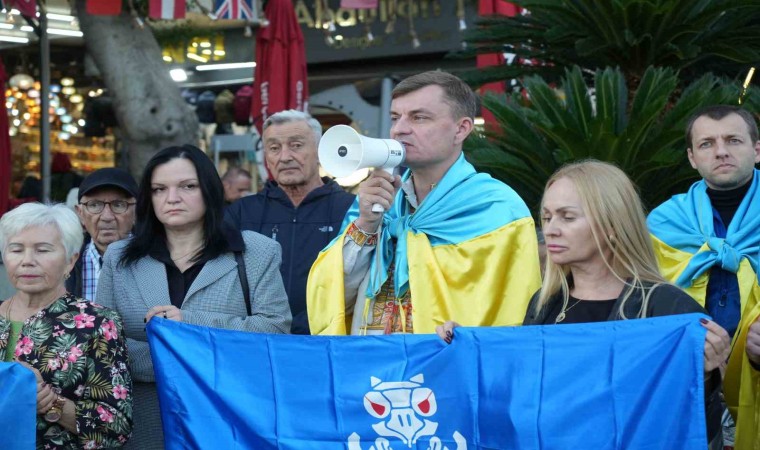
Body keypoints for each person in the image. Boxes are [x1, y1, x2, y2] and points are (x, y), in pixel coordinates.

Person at [438, 160, 730, 447]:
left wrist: (704, 378)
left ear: (612, 225)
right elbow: (519, 392)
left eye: (567, 217)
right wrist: (468, 349)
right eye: (547, 217)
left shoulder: (668, 307)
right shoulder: (544, 303)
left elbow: (692, 430)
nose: (551, 229)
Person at [306, 71, 541, 335]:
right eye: (395, 117)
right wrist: (365, 226)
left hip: (448, 359)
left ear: (461, 129)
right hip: (370, 357)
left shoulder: (498, 209)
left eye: (419, 117)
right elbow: (332, 299)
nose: (400, 129)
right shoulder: (375, 204)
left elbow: (514, 315)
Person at [96, 145, 291, 449]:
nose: (172, 198)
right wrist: (177, 358)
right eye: (159, 189)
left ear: (209, 190)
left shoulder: (254, 251)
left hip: (229, 417)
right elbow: (104, 343)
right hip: (144, 419)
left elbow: (275, 330)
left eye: (187, 186)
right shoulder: (119, 257)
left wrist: (189, 325)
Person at [647, 105, 760, 448]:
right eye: (707, 144)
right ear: (692, 158)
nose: (721, 151)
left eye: (733, 140)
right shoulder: (663, 225)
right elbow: (640, 302)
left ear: (757, 150)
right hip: (687, 383)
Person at [0, 202, 132, 448]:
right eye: (16, 249)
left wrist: (49, 401)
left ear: (71, 261)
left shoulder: (98, 323)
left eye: (42, 250)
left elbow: (116, 429)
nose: (27, 261)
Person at [226, 110, 355, 334]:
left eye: (296, 145)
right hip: (257, 341)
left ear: (320, 151)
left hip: (327, 341)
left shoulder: (351, 211)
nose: (285, 157)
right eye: (274, 148)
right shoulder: (241, 213)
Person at [69, 167, 138, 301]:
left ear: (137, 211)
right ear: (80, 213)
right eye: (94, 205)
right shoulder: (65, 264)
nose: (107, 217)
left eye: (118, 205)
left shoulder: (155, 260)